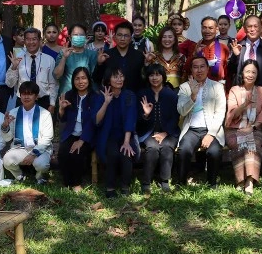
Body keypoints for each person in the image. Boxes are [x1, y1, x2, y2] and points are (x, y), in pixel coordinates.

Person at [175, 56, 227, 186]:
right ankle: (181, 182)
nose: (199, 70)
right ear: (191, 70)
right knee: (184, 150)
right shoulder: (184, 87)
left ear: (208, 69)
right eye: (195, 67)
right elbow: (181, 111)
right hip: (191, 129)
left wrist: (211, 134)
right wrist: (192, 96)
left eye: (202, 66)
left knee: (214, 151)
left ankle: (212, 183)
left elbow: (220, 112)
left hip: (211, 129)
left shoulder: (217, 86)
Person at [225, 60, 262, 195]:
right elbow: (232, 114)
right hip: (234, 129)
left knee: (253, 144)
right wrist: (244, 104)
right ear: (242, 73)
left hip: (254, 129)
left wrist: (251, 128)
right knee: (239, 143)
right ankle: (240, 180)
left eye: (253, 72)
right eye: (247, 71)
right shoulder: (234, 90)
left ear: (257, 74)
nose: (250, 75)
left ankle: (249, 181)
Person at [95, 68, 138, 197]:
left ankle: (125, 186)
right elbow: (97, 120)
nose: (119, 79)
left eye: (121, 76)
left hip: (126, 134)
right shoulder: (101, 95)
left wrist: (126, 142)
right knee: (112, 153)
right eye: (115, 77)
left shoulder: (129, 95)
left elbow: (131, 119)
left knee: (126, 153)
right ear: (108, 80)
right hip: (107, 135)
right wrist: (106, 103)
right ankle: (110, 188)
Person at [57, 69, 101, 190]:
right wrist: (61, 109)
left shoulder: (96, 97)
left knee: (78, 153)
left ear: (88, 80)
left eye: (83, 78)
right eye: (77, 78)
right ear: (73, 81)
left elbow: (94, 122)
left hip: (88, 135)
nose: (80, 81)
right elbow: (63, 118)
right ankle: (66, 183)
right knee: (63, 153)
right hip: (71, 133)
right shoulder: (69, 95)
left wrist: (82, 140)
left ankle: (76, 184)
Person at [138, 64, 179, 193]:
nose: (154, 78)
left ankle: (165, 180)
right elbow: (137, 120)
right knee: (152, 147)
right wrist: (146, 114)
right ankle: (146, 181)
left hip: (168, 132)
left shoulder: (171, 95)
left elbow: (175, 117)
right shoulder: (142, 94)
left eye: (158, 74)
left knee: (167, 147)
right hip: (147, 132)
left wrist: (165, 132)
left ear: (163, 76)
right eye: (151, 75)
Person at [3, 81, 55, 183]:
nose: (26, 97)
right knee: (7, 160)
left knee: (42, 164)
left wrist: (33, 154)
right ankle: (19, 176)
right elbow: (7, 138)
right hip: (20, 148)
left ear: (36, 97)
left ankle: (39, 177)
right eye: (24, 94)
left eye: (30, 94)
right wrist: (5, 126)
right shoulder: (14, 113)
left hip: (40, 149)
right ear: (20, 96)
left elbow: (47, 138)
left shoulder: (45, 114)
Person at [8, 27, 59, 109]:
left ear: (40, 40)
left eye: (34, 39)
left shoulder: (49, 60)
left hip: (43, 101)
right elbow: (10, 84)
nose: (31, 42)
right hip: (22, 101)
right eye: (28, 39)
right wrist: (14, 67)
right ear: (24, 41)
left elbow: (53, 84)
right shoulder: (17, 59)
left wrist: (52, 104)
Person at [228, 14, 262, 95]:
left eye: (256, 26)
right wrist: (236, 56)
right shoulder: (238, 46)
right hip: (241, 92)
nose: (252, 29)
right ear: (244, 28)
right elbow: (231, 71)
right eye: (249, 26)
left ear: (261, 28)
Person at [97, 22, 147, 93]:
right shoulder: (107, 55)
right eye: (119, 35)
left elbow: (145, 79)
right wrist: (99, 64)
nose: (122, 39)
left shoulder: (139, 55)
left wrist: (147, 64)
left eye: (126, 36)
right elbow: (97, 78)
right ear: (115, 37)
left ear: (130, 38)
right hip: (111, 97)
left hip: (134, 96)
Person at [55, 24, 100, 98]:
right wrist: (64, 58)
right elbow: (57, 75)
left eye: (81, 35)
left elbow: (95, 78)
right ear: (70, 37)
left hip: (87, 96)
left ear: (86, 37)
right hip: (67, 95)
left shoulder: (92, 54)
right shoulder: (63, 53)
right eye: (75, 35)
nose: (78, 37)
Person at [194, 17, 231, 83]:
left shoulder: (224, 48)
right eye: (204, 28)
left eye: (210, 28)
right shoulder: (194, 47)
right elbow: (187, 69)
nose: (207, 31)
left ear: (217, 30)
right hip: (198, 86)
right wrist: (195, 54)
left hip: (218, 87)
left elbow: (227, 72)